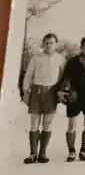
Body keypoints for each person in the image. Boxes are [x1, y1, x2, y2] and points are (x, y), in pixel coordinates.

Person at [22, 33, 66, 164]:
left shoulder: (60, 59)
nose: (49, 45)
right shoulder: (36, 58)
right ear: (43, 44)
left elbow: (64, 77)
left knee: (47, 123)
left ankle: (42, 153)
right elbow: (28, 76)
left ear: (56, 44)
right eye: (46, 43)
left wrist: (61, 92)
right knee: (34, 123)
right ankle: (32, 154)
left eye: (51, 43)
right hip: (37, 91)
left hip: (51, 93)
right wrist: (25, 92)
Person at [58, 36, 85, 162]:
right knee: (72, 124)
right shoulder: (73, 61)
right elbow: (66, 77)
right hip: (74, 95)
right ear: (81, 47)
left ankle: (83, 150)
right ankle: (71, 151)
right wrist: (61, 90)